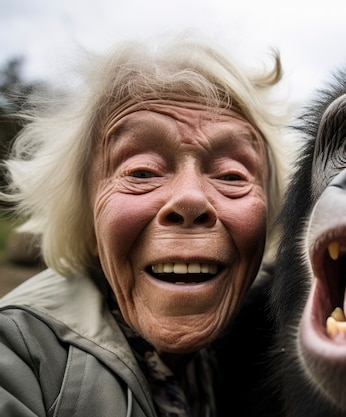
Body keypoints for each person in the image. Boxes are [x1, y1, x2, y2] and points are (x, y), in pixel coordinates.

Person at [0, 33, 291, 416]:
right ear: (85, 219)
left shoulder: (270, 344)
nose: (190, 199)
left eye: (232, 175)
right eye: (141, 171)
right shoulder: (17, 357)